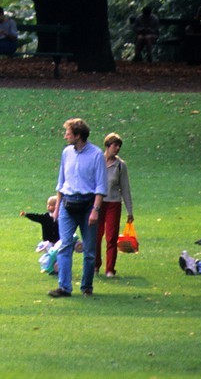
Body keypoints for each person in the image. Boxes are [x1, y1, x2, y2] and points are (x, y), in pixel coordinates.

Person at [50, 117, 107, 298]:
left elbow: (101, 186)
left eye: (68, 133)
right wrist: (57, 208)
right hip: (67, 204)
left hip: (88, 205)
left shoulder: (96, 155)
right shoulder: (66, 153)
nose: (65, 136)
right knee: (64, 246)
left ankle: (86, 287)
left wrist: (95, 210)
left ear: (78, 135)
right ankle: (64, 287)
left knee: (89, 250)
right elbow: (61, 182)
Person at [92, 132, 135, 278]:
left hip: (113, 204)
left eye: (119, 146)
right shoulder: (97, 161)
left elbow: (125, 189)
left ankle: (110, 269)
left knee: (111, 237)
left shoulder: (120, 166)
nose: (117, 149)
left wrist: (130, 211)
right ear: (107, 145)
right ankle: (95, 265)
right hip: (98, 203)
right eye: (114, 145)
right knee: (96, 236)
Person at [0, 7, 20, 74]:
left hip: (10, 43)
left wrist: (6, 34)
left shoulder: (11, 22)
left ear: (3, 14)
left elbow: (14, 37)